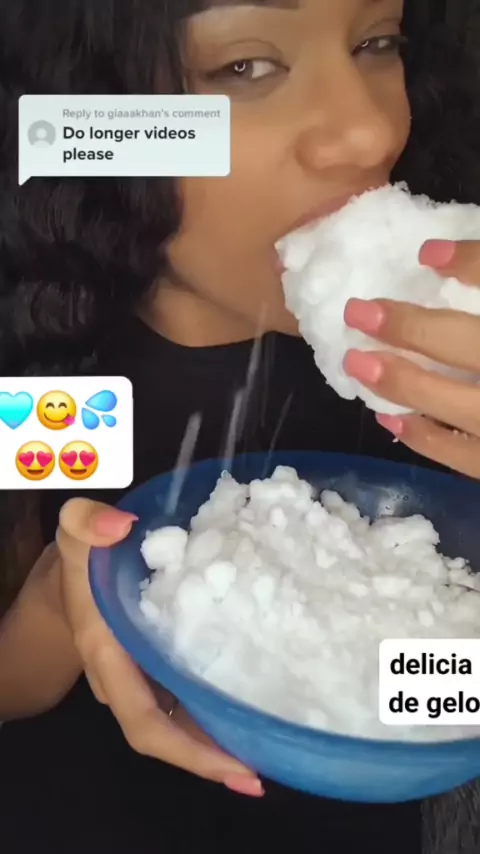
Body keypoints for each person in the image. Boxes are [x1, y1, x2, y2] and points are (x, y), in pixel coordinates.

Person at [1, 0, 480, 851]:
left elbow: (445, 695)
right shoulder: (57, 382)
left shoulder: (446, 378)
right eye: (243, 67)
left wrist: (409, 687)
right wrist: (61, 598)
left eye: (377, 42)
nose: (369, 133)